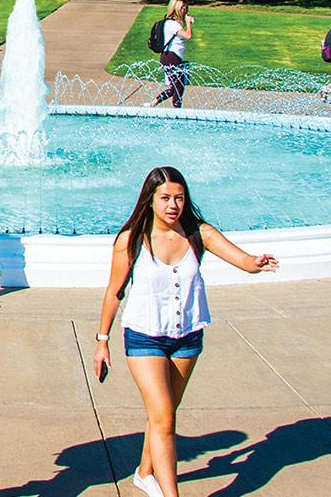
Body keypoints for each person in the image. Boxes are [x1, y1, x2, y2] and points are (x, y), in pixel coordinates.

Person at [93, 167, 278, 497]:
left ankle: (145, 472)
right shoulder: (132, 239)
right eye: (165, 198)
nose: (172, 205)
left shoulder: (198, 234)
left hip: (188, 338)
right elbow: (113, 291)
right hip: (144, 337)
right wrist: (102, 341)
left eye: (179, 198)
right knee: (164, 418)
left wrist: (257, 262)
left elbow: (243, 260)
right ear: (149, 200)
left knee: (162, 415)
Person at [150, 0, 194, 109]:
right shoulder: (172, 24)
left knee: (177, 86)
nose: (185, 10)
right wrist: (189, 23)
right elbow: (188, 35)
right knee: (177, 87)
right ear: (176, 8)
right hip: (171, 57)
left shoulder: (172, 23)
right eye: (182, 8)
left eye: (185, 7)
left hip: (173, 57)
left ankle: (154, 103)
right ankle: (175, 110)